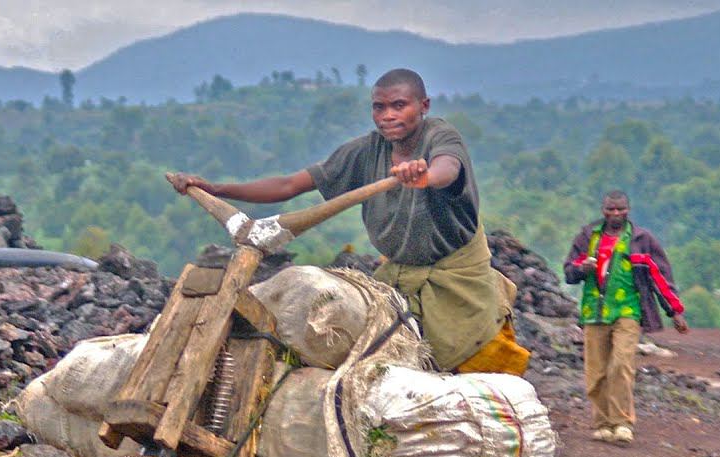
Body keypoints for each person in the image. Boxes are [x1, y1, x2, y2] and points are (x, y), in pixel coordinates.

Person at [168, 68, 529, 376]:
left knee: (473, 374)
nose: (388, 115)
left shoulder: (440, 137)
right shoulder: (365, 151)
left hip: (455, 284)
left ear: (424, 106)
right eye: (379, 107)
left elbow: (447, 169)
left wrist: (423, 176)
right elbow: (290, 185)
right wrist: (216, 188)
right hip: (398, 281)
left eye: (399, 105)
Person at [564, 190, 689, 445]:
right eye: (611, 209)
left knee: (621, 365)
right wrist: (581, 268)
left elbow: (660, 277)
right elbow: (568, 271)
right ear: (603, 210)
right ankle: (602, 423)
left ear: (628, 210)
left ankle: (622, 423)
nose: (616, 213)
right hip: (594, 311)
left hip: (628, 311)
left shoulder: (642, 240)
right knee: (596, 370)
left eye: (620, 209)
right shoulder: (588, 237)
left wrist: (674, 311)